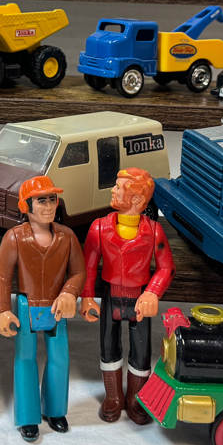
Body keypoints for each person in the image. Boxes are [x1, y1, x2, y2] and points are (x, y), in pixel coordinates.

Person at [0, 175, 86, 442]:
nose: (48, 206)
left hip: (57, 305)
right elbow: (1, 276)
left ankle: (55, 411)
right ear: (26, 206)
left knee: (60, 358)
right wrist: (3, 310)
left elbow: (78, 272)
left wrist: (69, 293)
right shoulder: (14, 237)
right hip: (26, 305)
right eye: (41, 200)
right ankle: (28, 416)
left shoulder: (67, 236)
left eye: (52, 199)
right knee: (25, 359)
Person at [80, 167, 173, 424]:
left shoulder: (154, 231)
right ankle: (113, 396)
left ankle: (135, 397)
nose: (113, 190)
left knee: (141, 351)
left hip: (139, 299)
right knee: (108, 347)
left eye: (119, 187)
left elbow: (166, 268)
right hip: (110, 296)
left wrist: (153, 292)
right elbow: (88, 266)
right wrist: (87, 297)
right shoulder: (99, 228)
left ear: (136, 199)